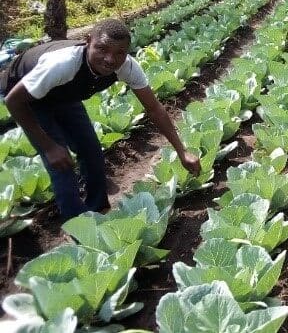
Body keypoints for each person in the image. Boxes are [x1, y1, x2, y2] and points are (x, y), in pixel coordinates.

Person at [0, 19, 201, 220]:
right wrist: (49, 146)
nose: (110, 59)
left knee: (91, 150)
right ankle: (78, 226)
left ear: (127, 52)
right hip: (26, 95)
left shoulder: (127, 67)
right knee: (61, 164)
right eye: (102, 49)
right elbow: (13, 101)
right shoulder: (63, 63)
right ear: (88, 41)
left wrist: (182, 152)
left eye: (119, 52)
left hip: (63, 94)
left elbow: (154, 109)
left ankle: (98, 211)